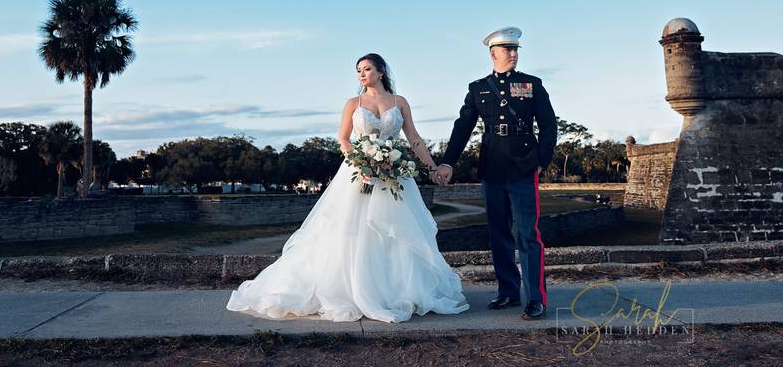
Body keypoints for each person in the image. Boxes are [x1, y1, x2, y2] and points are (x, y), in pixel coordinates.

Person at [226, 53, 469, 323]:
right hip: (359, 174)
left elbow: (414, 139)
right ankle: (350, 290)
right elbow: (343, 139)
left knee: (396, 231)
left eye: (367, 69)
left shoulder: (400, 103)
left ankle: (396, 291)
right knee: (353, 231)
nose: (361, 75)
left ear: (381, 72)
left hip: (392, 175)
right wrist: (362, 162)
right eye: (358, 71)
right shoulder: (354, 103)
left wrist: (433, 167)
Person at [435, 27, 556, 320]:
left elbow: (549, 124)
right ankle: (508, 292)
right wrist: (448, 161)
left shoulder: (531, 84)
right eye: (507, 50)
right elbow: (463, 127)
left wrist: (543, 159)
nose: (513, 54)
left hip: (524, 166)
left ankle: (536, 298)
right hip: (492, 168)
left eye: (515, 50)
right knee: (499, 233)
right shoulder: (478, 88)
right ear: (493, 54)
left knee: (528, 234)